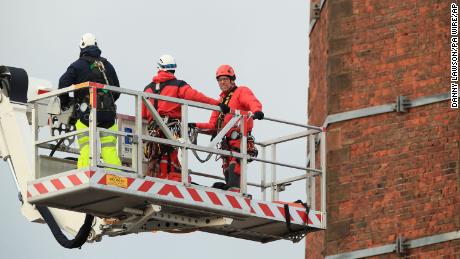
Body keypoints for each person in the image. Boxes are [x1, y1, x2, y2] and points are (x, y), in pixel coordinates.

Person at [141, 54, 230, 182]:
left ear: (159, 68)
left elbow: (143, 114)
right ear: (173, 69)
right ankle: (173, 178)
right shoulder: (178, 85)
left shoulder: (147, 89)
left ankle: (159, 178)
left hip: (153, 132)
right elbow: (197, 97)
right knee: (170, 157)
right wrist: (218, 105)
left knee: (157, 158)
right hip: (170, 130)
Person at [191, 64, 263, 191]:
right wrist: (195, 125)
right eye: (220, 80)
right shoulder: (221, 102)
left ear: (232, 80)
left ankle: (236, 192)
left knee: (234, 167)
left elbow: (252, 101)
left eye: (225, 79)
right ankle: (231, 191)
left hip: (239, 139)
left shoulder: (241, 91)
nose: (222, 82)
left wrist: (257, 111)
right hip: (226, 143)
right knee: (227, 170)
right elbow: (213, 126)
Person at [58, 33, 122, 169]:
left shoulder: (78, 65)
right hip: (108, 116)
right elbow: (117, 90)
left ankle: (85, 172)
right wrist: (106, 104)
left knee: (86, 148)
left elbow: (63, 83)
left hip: (85, 115)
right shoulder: (107, 65)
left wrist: (65, 103)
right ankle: (115, 177)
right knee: (109, 149)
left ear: (81, 47)